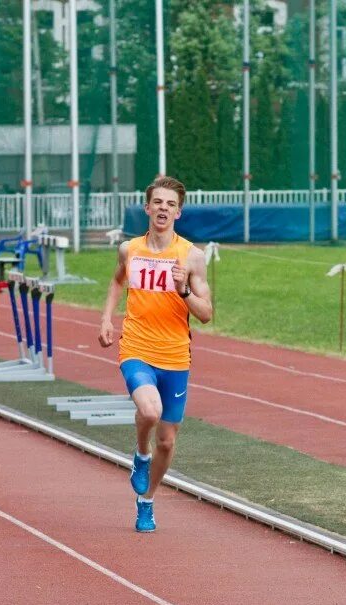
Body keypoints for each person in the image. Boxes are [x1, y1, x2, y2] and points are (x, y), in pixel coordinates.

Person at [97, 176, 214, 532]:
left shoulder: (192, 256)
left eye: (170, 204)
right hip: (137, 346)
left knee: (168, 438)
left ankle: (146, 501)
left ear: (178, 212)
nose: (163, 208)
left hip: (176, 355)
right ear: (147, 208)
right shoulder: (129, 249)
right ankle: (140, 453)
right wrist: (106, 318)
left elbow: (206, 313)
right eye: (157, 202)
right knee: (150, 409)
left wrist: (182, 292)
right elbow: (118, 280)